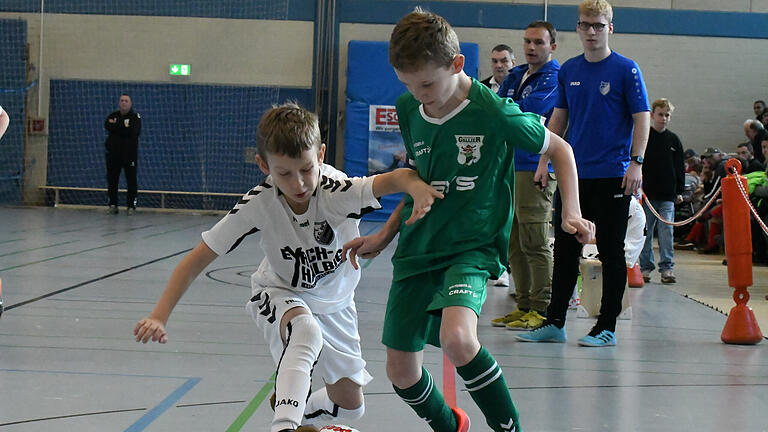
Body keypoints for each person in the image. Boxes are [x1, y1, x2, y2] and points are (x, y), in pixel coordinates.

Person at [342, 9, 594, 432]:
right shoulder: (410, 108)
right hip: (419, 248)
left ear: (457, 64)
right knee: (401, 373)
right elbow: (425, 179)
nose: (418, 94)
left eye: (426, 83)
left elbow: (561, 150)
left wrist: (571, 211)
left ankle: (508, 427)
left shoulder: (494, 112)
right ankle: (450, 425)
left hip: (472, 248)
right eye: (407, 84)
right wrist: (385, 234)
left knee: (458, 339)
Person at [133, 102, 442, 432]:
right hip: (279, 291)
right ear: (263, 165)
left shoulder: (337, 191)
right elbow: (195, 261)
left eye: (307, 169)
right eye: (284, 173)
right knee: (305, 332)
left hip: (336, 302)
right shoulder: (259, 203)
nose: (299, 183)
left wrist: (415, 187)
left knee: (350, 408)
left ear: (321, 155)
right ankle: (283, 424)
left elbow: (396, 177)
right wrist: (159, 315)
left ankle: (296, 408)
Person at [517, 0, 650, 348]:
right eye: (585, 25)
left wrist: (636, 162)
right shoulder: (569, 70)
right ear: (577, 28)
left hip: (614, 175)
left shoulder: (626, 69)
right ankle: (555, 321)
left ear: (610, 28)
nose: (591, 31)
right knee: (564, 248)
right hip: (574, 174)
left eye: (598, 25)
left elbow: (642, 118)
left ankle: (606, 326)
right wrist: (545, 160)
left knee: (609, 250)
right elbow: (559, 118)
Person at [491, 20, 560, 330]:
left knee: (535, 240)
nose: (531, 47)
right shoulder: (516, 75)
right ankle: (524, 304)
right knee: (514, 241)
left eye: (539, 43)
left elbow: (526, 114)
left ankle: (543, 308)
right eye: (527, 41)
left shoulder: (554, 78)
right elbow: (497, 110)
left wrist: (505, 109)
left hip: (535, 166)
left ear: (552, 46)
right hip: (508, 166)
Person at [638, 98, 684, 284]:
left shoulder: (674, 140)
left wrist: (679, 190)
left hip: (667, 196)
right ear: (652, 115)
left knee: (667, 233)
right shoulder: (645, 137)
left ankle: (667, 268)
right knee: (646, 232)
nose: (663, 118)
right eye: (660, 114)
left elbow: (679, 167)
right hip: (647, 195)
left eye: (667, 115)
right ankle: (645, 268)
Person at [104, 93, 142, 215]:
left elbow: (133, 131)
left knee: (131, 181)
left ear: (130, 104)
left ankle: (131, 206)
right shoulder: (113, 115)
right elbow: (107, 125)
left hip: (129, 155)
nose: (123, 103)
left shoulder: (135, 117)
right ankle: (113, 204)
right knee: (112, 181)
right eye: (122, 100)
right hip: (113, 155)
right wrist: (121, 128)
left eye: (126, 101)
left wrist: (117, 127)